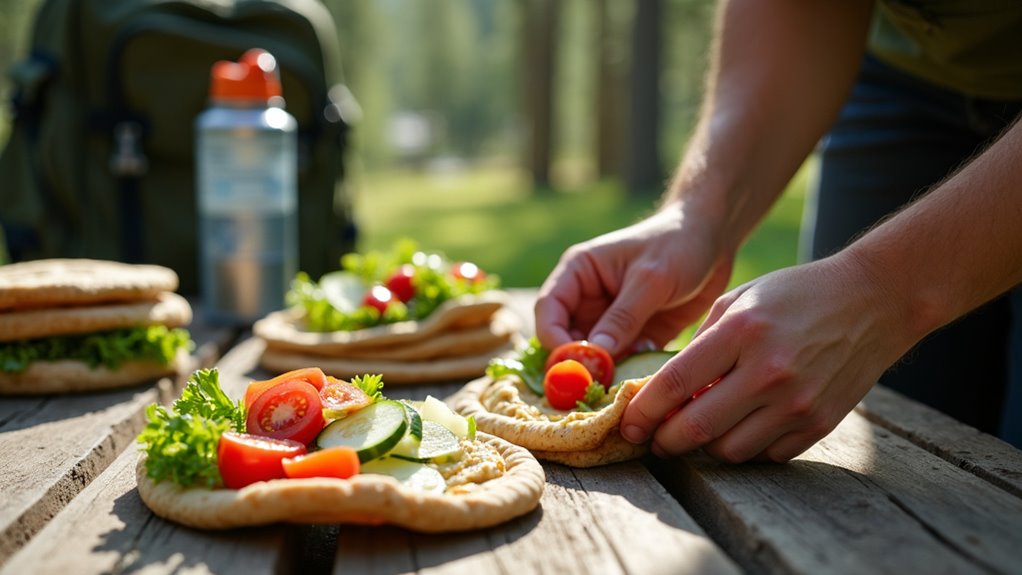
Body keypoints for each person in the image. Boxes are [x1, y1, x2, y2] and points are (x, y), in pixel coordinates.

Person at [534, 0, 1022, 463]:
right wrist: (700, 214)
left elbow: (876, 297)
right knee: (907, 454)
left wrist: (879, 290)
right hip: (899, 75)